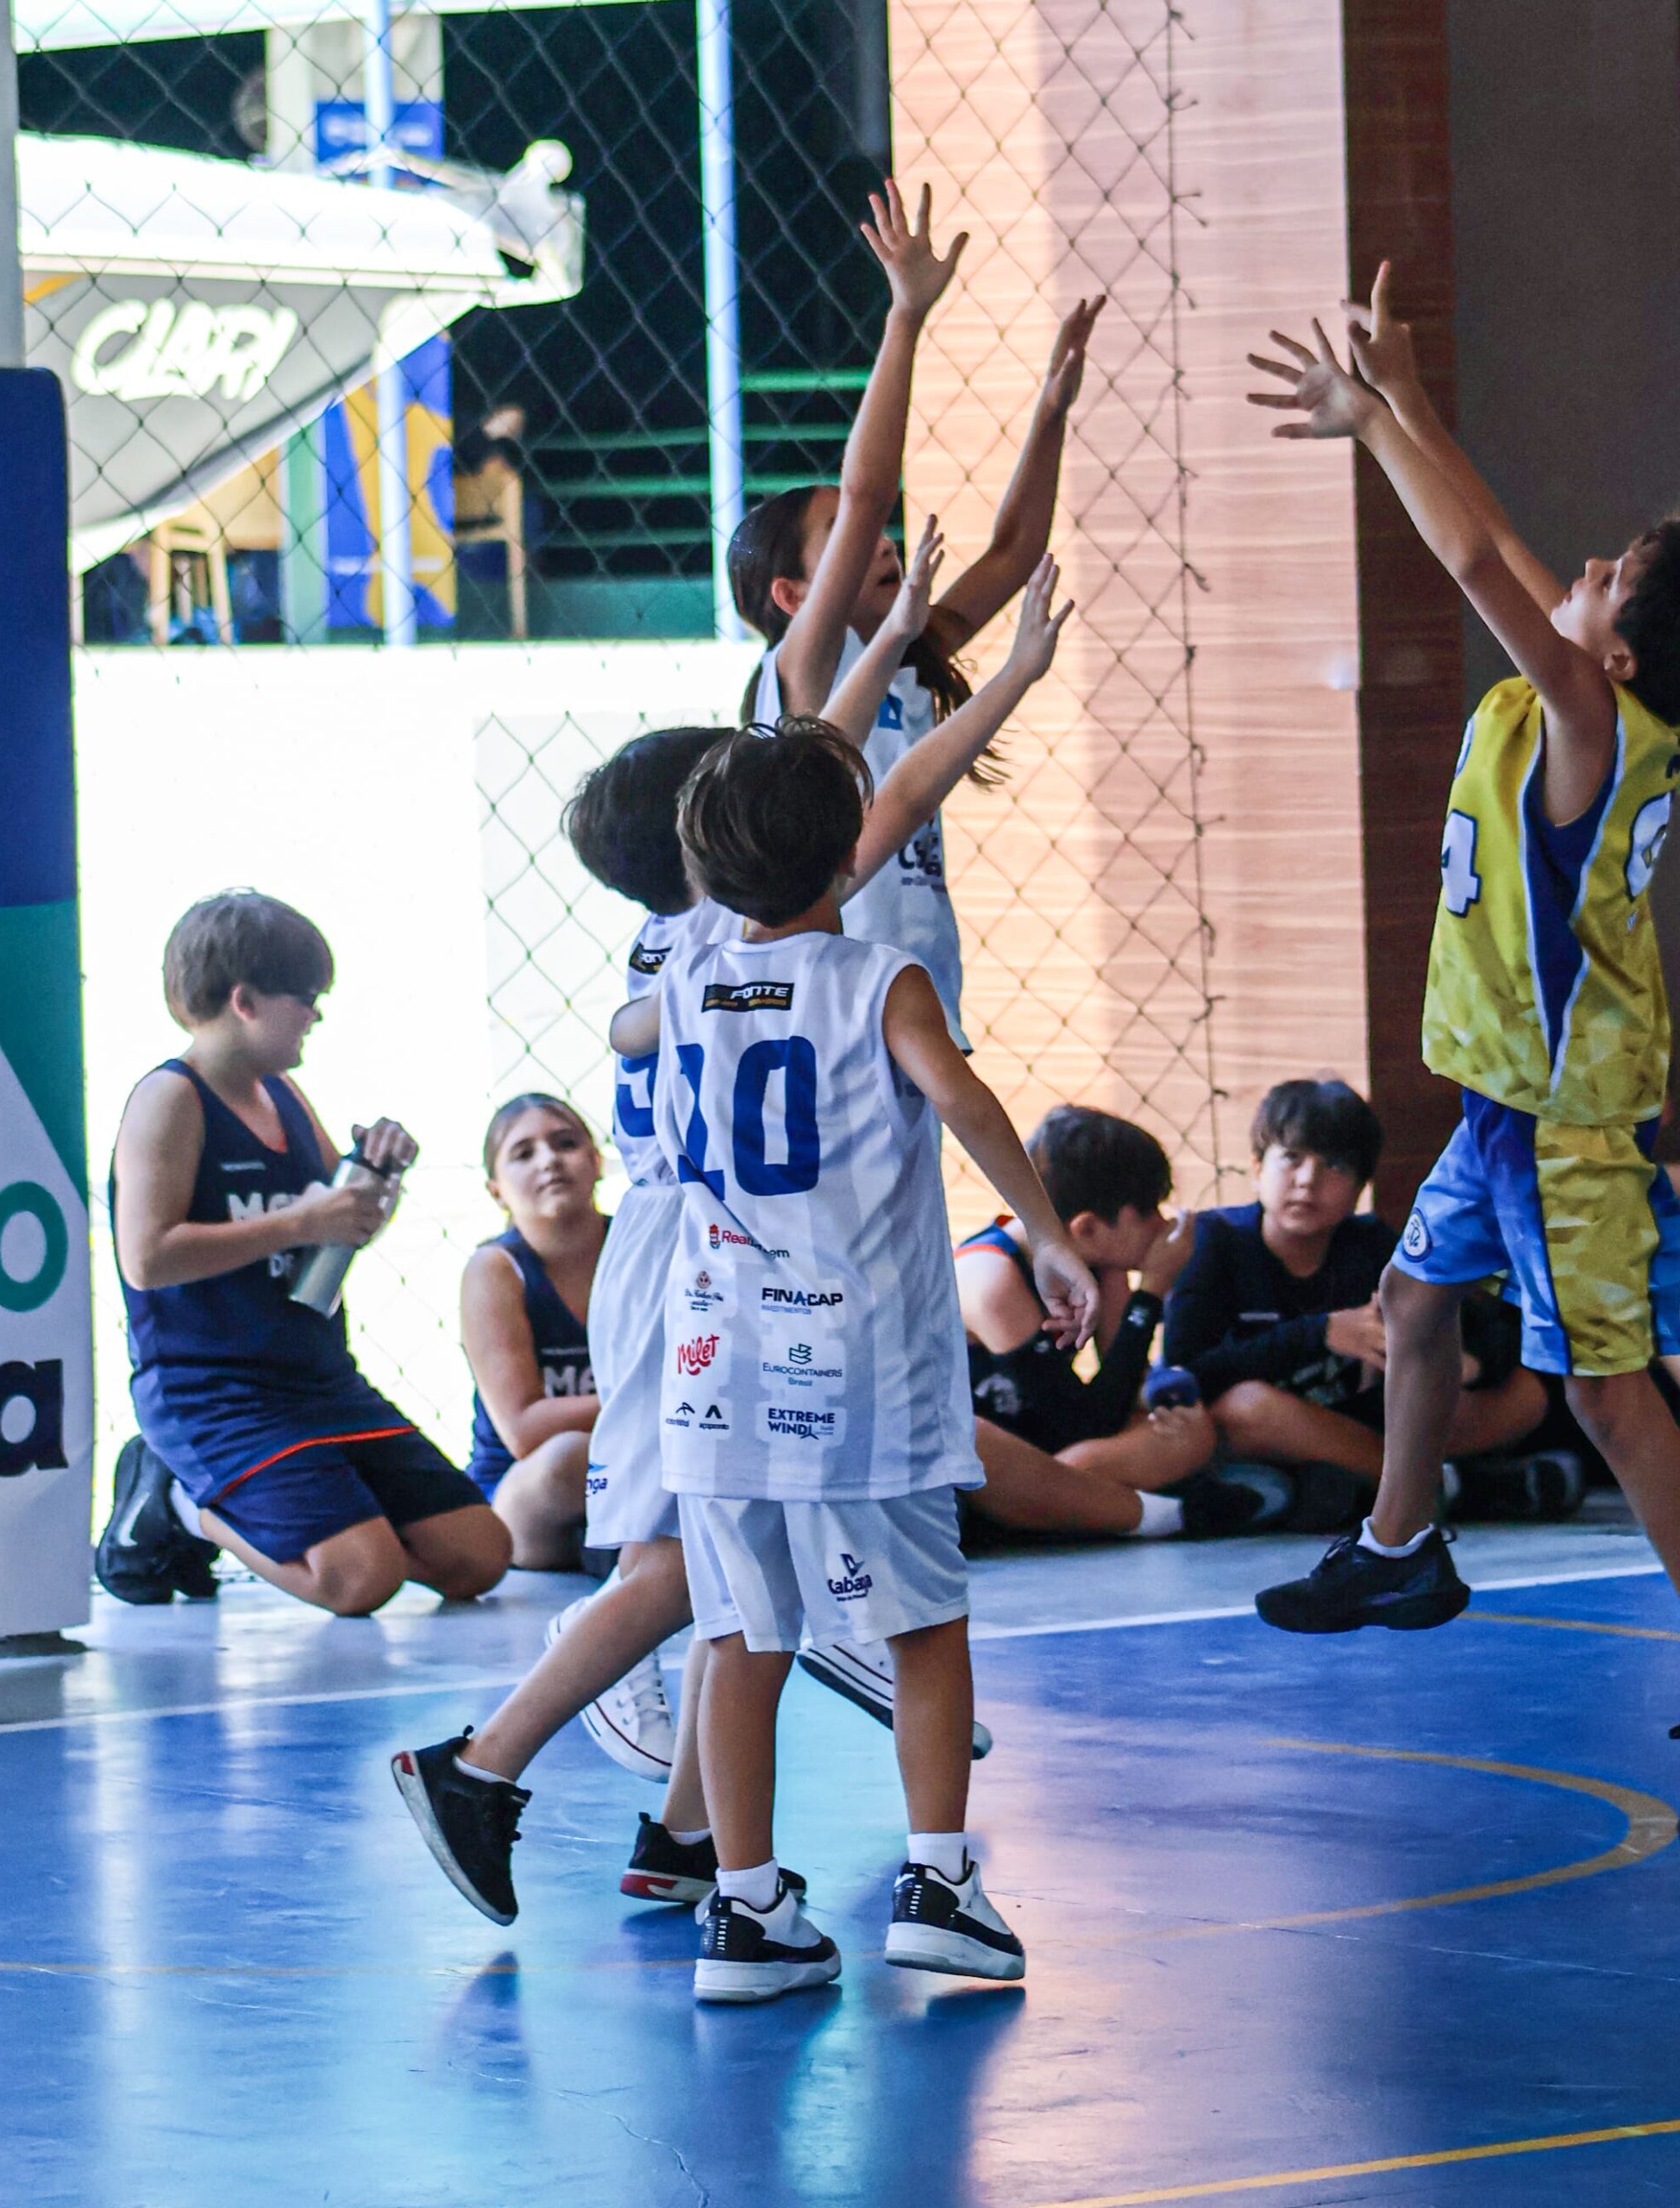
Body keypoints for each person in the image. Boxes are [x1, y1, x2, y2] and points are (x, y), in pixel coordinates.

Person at [390, 568, 1075, 1928]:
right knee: (688, 1571)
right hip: (730, 1271)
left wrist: (894, 632)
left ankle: (695, 1840)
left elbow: (827, 760)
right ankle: (487, 1764)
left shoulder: (683, 953)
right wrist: (991, 673)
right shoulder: (765, 942)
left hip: (710, 1270)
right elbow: (882, 781)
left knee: (727, 1578)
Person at [1242, 267, 1680, 1848]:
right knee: (1415, 1303)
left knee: (1614, 1401)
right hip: (1507, 1108)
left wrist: (1380, 422)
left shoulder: (1590, 727)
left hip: (1570, 1131)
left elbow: (1463, 557)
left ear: (1617, 657)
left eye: (1613, 575)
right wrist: (1406, 402)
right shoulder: (1584, 699)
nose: (1583, 566)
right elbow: (1495, 545)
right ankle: (1401, 1545)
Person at [623, 719, 1095, 2003]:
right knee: (923, 1624)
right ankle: (936, 1882)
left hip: (715, 1375)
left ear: (703, 872)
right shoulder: (883, 981)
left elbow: (629, 1030)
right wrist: (1047, 1235)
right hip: (855, 1372)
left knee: (739, 1635)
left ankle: (744, 1908)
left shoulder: (683, 984)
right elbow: (967, 1103)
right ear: (851, 859)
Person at [734, 181, 1104, 1050]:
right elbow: (868, 492)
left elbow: (1012, 553)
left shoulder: (901, 653)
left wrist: (1050, 416)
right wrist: (905, 316)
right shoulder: (801, 674)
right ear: (792, 596)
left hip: (918, 975)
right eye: (843, 539)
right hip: (834, 993)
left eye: (868, 533)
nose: (879, 539)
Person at [97, 894, 511, 1615]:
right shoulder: (170, 1097)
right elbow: (147, 1257)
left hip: (314, 1377)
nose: (316, 1016)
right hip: (215, 1389)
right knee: (361, 1578)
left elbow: (333, 1233)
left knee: (480, 1555)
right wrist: (297, 1220)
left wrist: (373, 1183)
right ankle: (177, 1501)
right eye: (306, 998)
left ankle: (322, 1515)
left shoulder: (283, 1093)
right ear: (246, 1001)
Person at [1161, 1079, 1556, 1521]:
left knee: (1524, 1394)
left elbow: (1488, 1332)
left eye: (1334, 1166)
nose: (1307, 1181)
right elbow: (1185, 1374)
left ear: (1359, 1189)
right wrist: (1321, 1334)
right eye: (1291, 1158)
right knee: (1247, 1408)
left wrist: (1469, 1363)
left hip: (1359, 1421)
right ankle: (1452, 1488)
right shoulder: (1216, 1242)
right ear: (1256, 1167)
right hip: (1268, 1428)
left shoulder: (1370, 1244)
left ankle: (1352, 1486)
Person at [956, 1105, 1261, 1540]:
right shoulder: (992, 1280)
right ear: (1087, 1228)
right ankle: (1164, 1512)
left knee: (1191, 1432)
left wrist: (1158, 1406)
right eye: (1148, 1211)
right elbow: (1083, 1423)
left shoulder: (1101, 1260)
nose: (1162, 1225)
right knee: (986, 1446)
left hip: (1058, 1449)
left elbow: (1121, 1392)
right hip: (998, 1459)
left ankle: (1073, 1510)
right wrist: (1151, 1291)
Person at [461, 1094, 605, 1571]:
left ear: (597, 1161)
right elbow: (525, 1430)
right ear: (496, 1190)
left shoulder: (639, 1246)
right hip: (526, 1495)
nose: (549, 1161)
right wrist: (654, 1404)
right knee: (571, 1456)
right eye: (523, 1154)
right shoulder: (497, 1269)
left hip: (639, 1459)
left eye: (565, 1143)